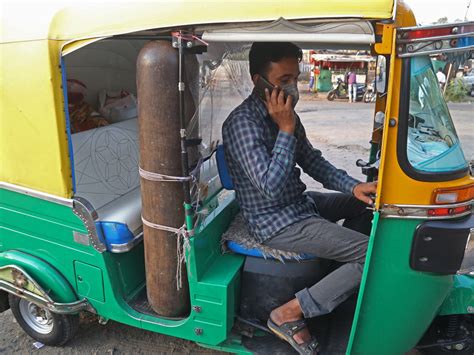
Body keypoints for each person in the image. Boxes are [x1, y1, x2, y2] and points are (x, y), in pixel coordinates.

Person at [222, 42, 377, 354]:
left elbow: (313, 161)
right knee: (374, 254)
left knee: (367, 204)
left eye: (295, 77)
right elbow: (271, 188)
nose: (292, 86)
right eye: (283, 80)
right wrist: (286, 129)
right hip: (276, 222)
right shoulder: (243, 123)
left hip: (300, 205)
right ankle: (288, 314)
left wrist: (352, 186)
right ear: (258, 81)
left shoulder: (284, 114)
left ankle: (337, 283)